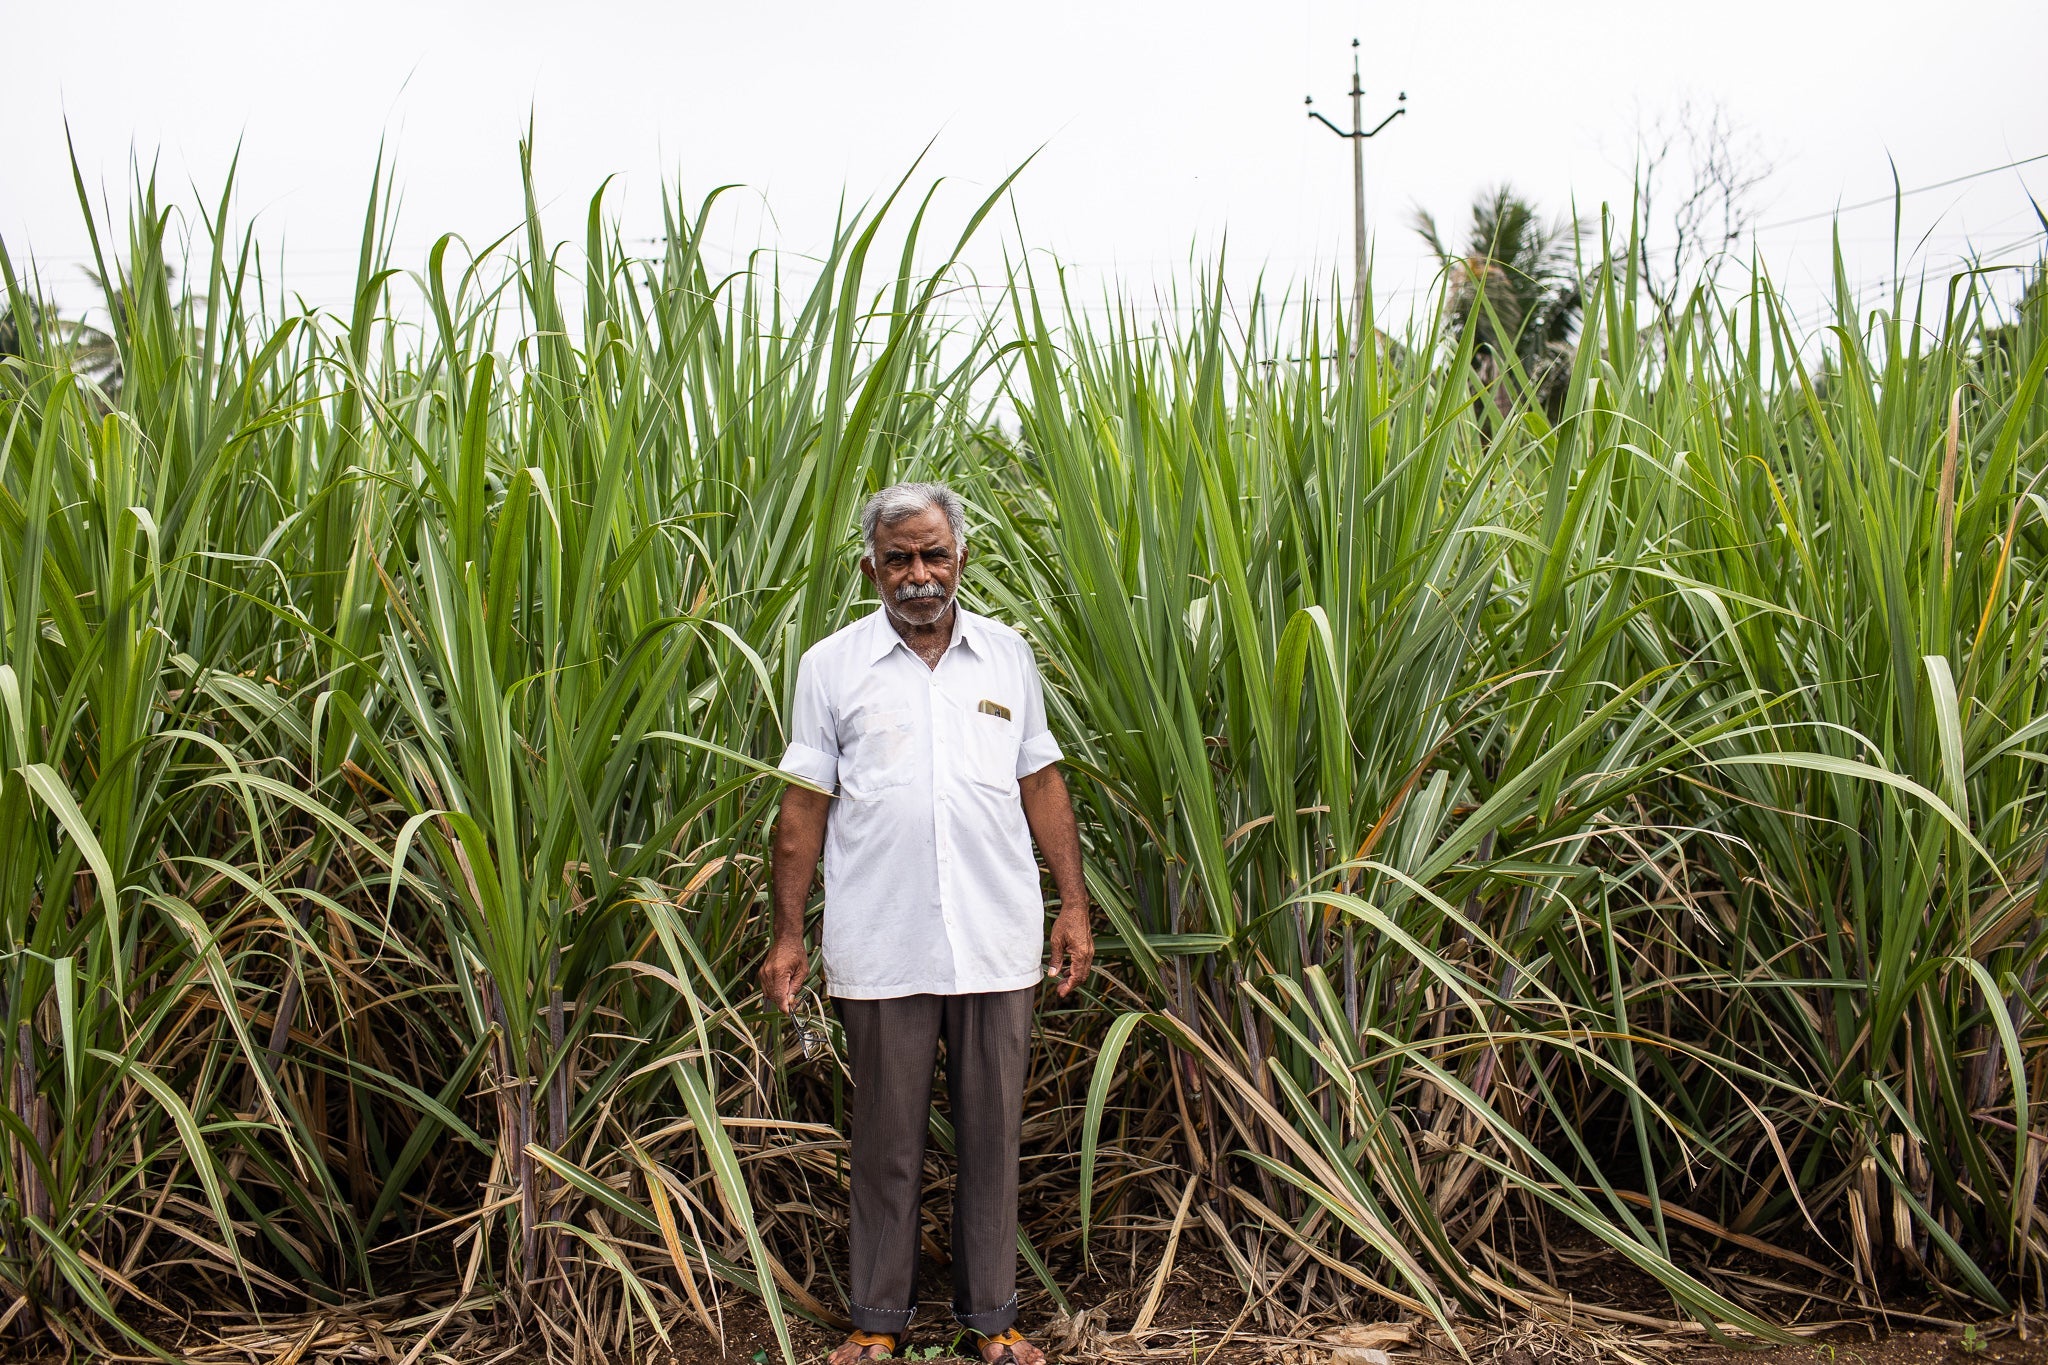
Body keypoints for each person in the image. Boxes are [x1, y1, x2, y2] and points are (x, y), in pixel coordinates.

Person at [762, 481, 1093, 1365]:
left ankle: (993, 1321)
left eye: (933, 555)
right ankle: (878, 1320)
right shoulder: (832, 665)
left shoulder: (1007, 656)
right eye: (899, 557)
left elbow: (1041, 782)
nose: (918, 575)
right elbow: (803, 809)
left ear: (961, 559)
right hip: (884, 942)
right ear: (870, 566)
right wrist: (790, 933)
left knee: (991, 1138)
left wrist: (1073, 902)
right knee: (886, 1144)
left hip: (996, 941)